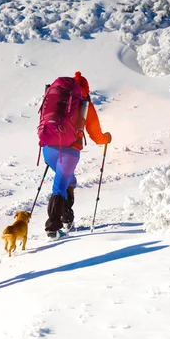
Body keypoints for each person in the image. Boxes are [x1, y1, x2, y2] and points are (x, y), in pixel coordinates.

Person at [42, 71, 112, 238]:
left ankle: (67, 218)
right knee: (60, 186)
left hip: (48, 148)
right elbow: (95, 134)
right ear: (86, 88)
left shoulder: (57, 97)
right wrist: (106, 139)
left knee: (69, 181)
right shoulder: (84, 103)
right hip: (69, 151)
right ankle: (53, 227)